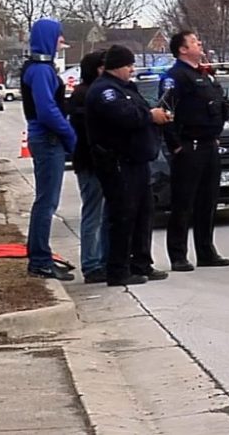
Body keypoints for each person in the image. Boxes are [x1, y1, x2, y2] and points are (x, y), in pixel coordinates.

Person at [86, 45, 171, 286]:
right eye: (128, 65)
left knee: (143, 213)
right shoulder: (105, 91)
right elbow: (124, 117)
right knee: (123, 216)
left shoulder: (126, 88)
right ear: (117, 66)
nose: (132, 69)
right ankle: (118, 270)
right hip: (117, 162)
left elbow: (139, 110)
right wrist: (149, 116)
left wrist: (155, 116)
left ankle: (141, 263)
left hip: (137, 161)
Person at [159, 31, 229, 272]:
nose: (199, 44)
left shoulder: (205, 74)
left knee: (208, 201)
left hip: (210, 144)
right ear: (182, 49)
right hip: (188, 147)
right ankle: (178, 255)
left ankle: (206, 251)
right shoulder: (175, 77)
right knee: (183, 203)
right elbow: (165, 113)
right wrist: (176, 145)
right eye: (194, 42)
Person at [22, 18, 77, 280]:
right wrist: (70, 136)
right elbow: (47, 111)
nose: (61, 41)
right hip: (47, 139)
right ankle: (40, 259)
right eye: (58, 36)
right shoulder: (41, 70)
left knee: (45, 200)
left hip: (46, 139)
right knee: (47, 201)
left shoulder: (39, 67)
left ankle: (39, 254)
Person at [67, 50, 108, 284]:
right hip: (89, 162)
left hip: (102, 161)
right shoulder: (83, 94)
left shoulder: (98, 91)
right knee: (93, 213)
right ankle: (91, 264)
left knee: (104, 214)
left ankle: (103, 259)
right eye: (103, 67)